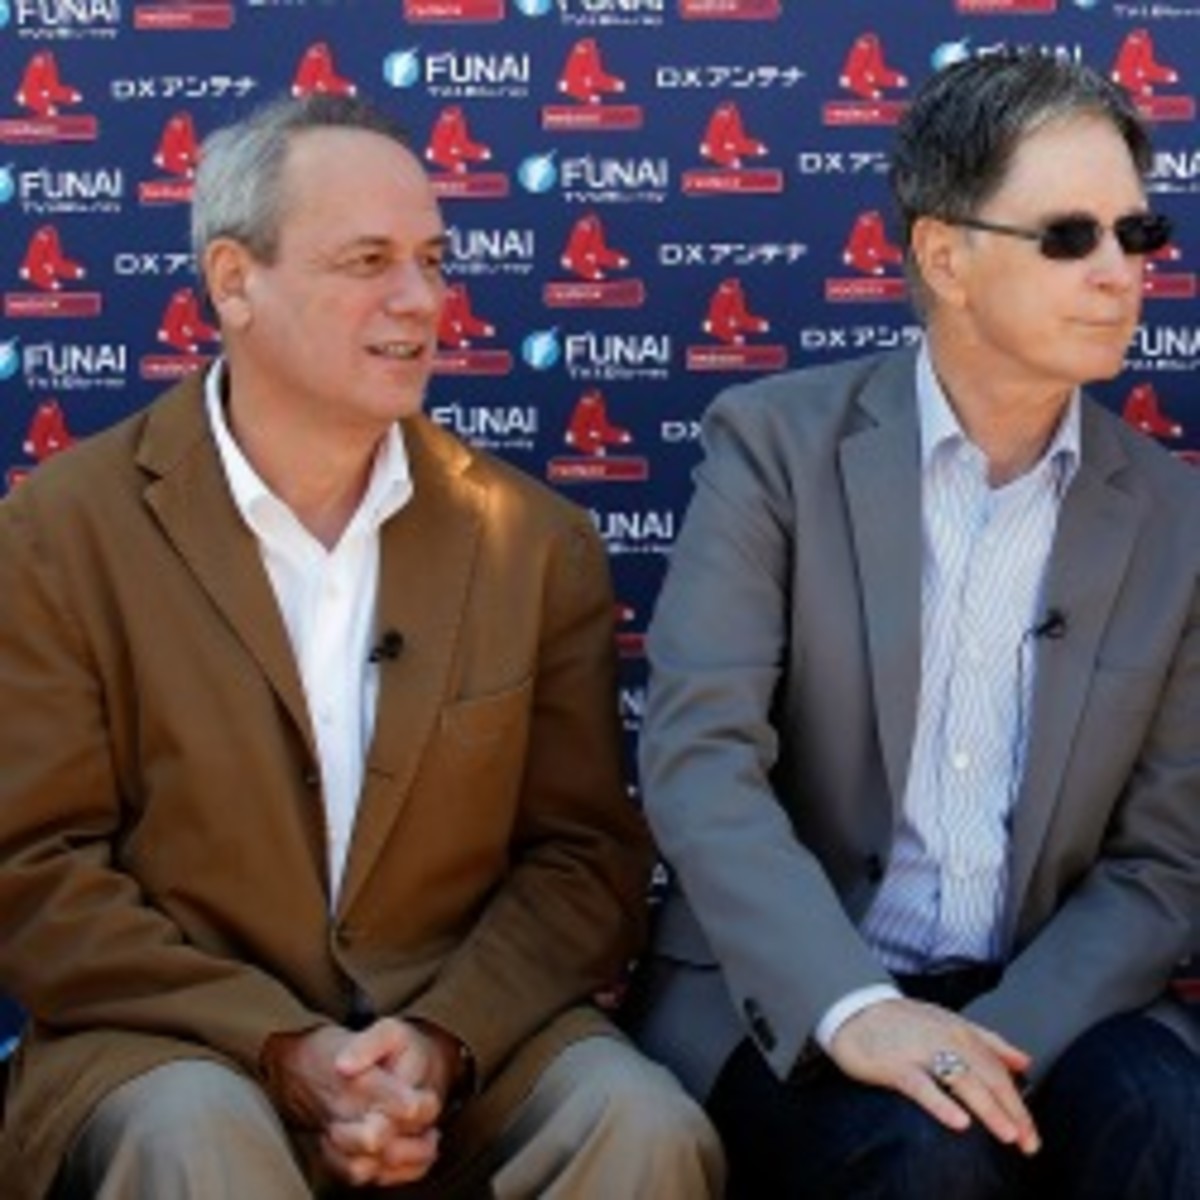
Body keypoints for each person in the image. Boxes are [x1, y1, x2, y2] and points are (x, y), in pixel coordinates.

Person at [0, 94, 723, 1200]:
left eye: (434, 261)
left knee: (641, 1127)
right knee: (199, 1133)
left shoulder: (534, 542)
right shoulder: (60, 530)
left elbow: (584, 866)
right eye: (369, 261)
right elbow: (35, 873)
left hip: (465, 1040)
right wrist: (285, 1050)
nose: (420, 301)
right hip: (175, 1043)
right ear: (234, 280)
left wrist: (440, 1039)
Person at [629, 49, 1200, 1199]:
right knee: (921, 1158)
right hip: (797, 991)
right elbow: (701, 766)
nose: (1119, 275)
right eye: (1069, 236)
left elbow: (1164, 860)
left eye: (1138, 236)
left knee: (1169, 1127)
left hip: (1052, 996)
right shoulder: (772, 449)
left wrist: (997, 1039)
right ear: (943, 255)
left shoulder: (1177, 518)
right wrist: (858, 1011)